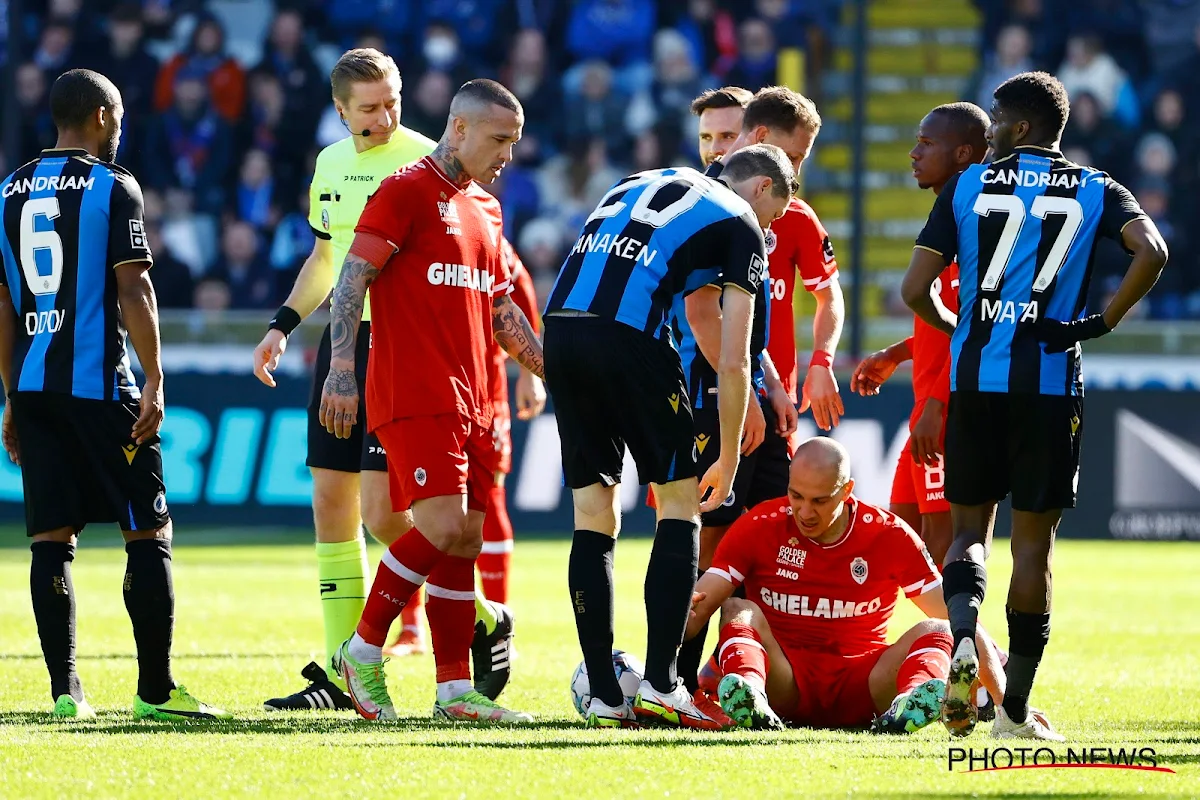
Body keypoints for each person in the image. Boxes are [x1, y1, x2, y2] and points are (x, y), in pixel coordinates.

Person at [902, 71, 1168, 739]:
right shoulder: (1096, 187)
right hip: (1051, 384)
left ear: (1019, 127)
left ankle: (963, 635)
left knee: (968, 535)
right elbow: (1152, 251)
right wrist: (1098, 325)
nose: (988, 130)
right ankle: (1015, 711)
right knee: (1032, 549)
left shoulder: (966, 186)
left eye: (995, 120)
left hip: (977, 384)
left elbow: (913, 291)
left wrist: (956, 326)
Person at [253, 50, 515, 711]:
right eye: (369, 107)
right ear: (340, 110)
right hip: (344, 343)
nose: (385, 115)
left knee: (387, 515)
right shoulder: (330, 166)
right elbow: (328, 259)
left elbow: (483, 283)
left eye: (392, 101)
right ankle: (343, 676)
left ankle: (463, 616)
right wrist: (284, 323)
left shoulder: (431, 164)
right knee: (332, 509)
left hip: (400, 348)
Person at [0, 69, 227, 720]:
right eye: (118, 117)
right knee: (149, 530)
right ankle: (155, 692)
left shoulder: (7, 193)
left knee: (50, 538)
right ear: (100, 116)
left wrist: (12, 393)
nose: (120, 129)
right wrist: (155, 375)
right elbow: (134, 288)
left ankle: (65, 693)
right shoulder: (111, 185)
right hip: (102, 385)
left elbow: (2, 304)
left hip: (37, 383)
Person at [544, 144, 796, 729]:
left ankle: (606, 695)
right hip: (631, 339)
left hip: (561, 330)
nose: (770, 229)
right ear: (760, 189)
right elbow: (734, 361)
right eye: (775, 216)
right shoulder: (739, 221)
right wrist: (729, 457)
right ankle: (662, 684)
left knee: (593, 513)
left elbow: (698, 313)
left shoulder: (643, 179)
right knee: (681, 503)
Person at [323, 79, 544, 724]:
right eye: (499, 140)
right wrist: (341, 366)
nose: (507, 154)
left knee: (465, 540)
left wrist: (551, 368)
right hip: (416, 391)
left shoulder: (487, 209)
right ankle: (362, 650)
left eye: (515, 142)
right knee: (441, 527)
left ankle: (454, 689)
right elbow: (352, 276)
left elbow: (502, 310)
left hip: (477, 395)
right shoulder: (405, 191)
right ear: (458, 129)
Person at [678, 84, 844, 698]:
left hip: (768, 404)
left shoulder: (791, 214)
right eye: (711, 139)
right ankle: (672, 675)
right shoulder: (695, 208)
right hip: (708, 397)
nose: (720, 150)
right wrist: (744, 388)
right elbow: (702, 312)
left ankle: (743, 676)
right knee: (708, 539)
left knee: (773, 544)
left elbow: (829, 296)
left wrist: (811, 366)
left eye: (729, 136)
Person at [686, 439, 1006, 733]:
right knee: (737, 609)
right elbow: (698, 605)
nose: (805, 512)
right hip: (782, 683)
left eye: (820, 501)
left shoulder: (889, 535)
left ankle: (909, 704)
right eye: (796, 496)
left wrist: (1008, 700)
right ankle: (750, 693)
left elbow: (959, 620)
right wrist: (661, 667)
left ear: (846, 490)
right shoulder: (759, 525)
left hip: (864, 687)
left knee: (941, 628)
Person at [851, 103, 990, 565]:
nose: (913, 154)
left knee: (941, 545)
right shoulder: (947, 221)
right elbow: (947, 323)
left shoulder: (975, 229)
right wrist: (900, 352)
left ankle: (962, 639)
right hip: (927, 408)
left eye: (927, 144)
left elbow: (976, 330)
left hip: (947, 412)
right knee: (902, 542)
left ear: (964, 155)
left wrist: (937, 405)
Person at [478, 237, 545, 608]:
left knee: (489, 495)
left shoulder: (485, 224)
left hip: (485, 381)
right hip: (426, 376)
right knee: (410, 500)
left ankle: (500, 620)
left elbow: (519, 288)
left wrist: (529, 371)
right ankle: (410, 627)